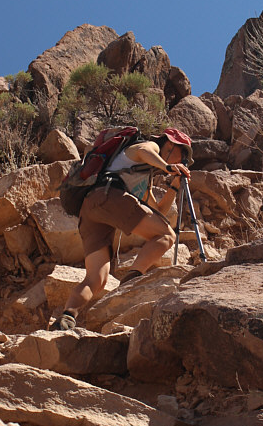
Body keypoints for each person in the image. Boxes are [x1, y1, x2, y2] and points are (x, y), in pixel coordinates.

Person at [51, 128, 192, 330]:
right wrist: (168, 166)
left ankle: (67, 317)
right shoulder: (150, 146)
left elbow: (158, 210)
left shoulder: (143, 177)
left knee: (97, 279)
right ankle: (130, 282)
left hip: (90, 208)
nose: (184, 160)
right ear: (169, 144)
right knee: (167, 234)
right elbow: (145, 151)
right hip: (109, 195)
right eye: (183, 153)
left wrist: (175, 185)